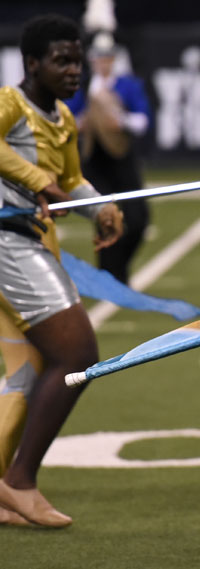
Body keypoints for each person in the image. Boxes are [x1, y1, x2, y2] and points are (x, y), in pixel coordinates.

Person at [0, 14, 123, 527]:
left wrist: (102, 207)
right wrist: (39, 182)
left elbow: (70, 180)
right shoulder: (9, 103)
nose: (75, 71)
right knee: (77, 352)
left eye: (77, 61)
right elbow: (42, 177)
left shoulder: (64, 118)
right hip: (7, 239)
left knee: (25, 374)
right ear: (32, 63)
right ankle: (19, 482)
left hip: (30, 242)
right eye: (61, 61)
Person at [65, 31, 152, 284]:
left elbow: (143, 120)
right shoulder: (82, 87)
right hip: (94, 161)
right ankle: (108, 275)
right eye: (99, 57)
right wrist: (81, 123)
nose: (103, 62)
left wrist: (120, 121)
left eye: (108, 57)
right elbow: (64, 118)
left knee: (137, 218)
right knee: (104, 218)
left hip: (122, 159)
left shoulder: (127, 85)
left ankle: (120, 267)